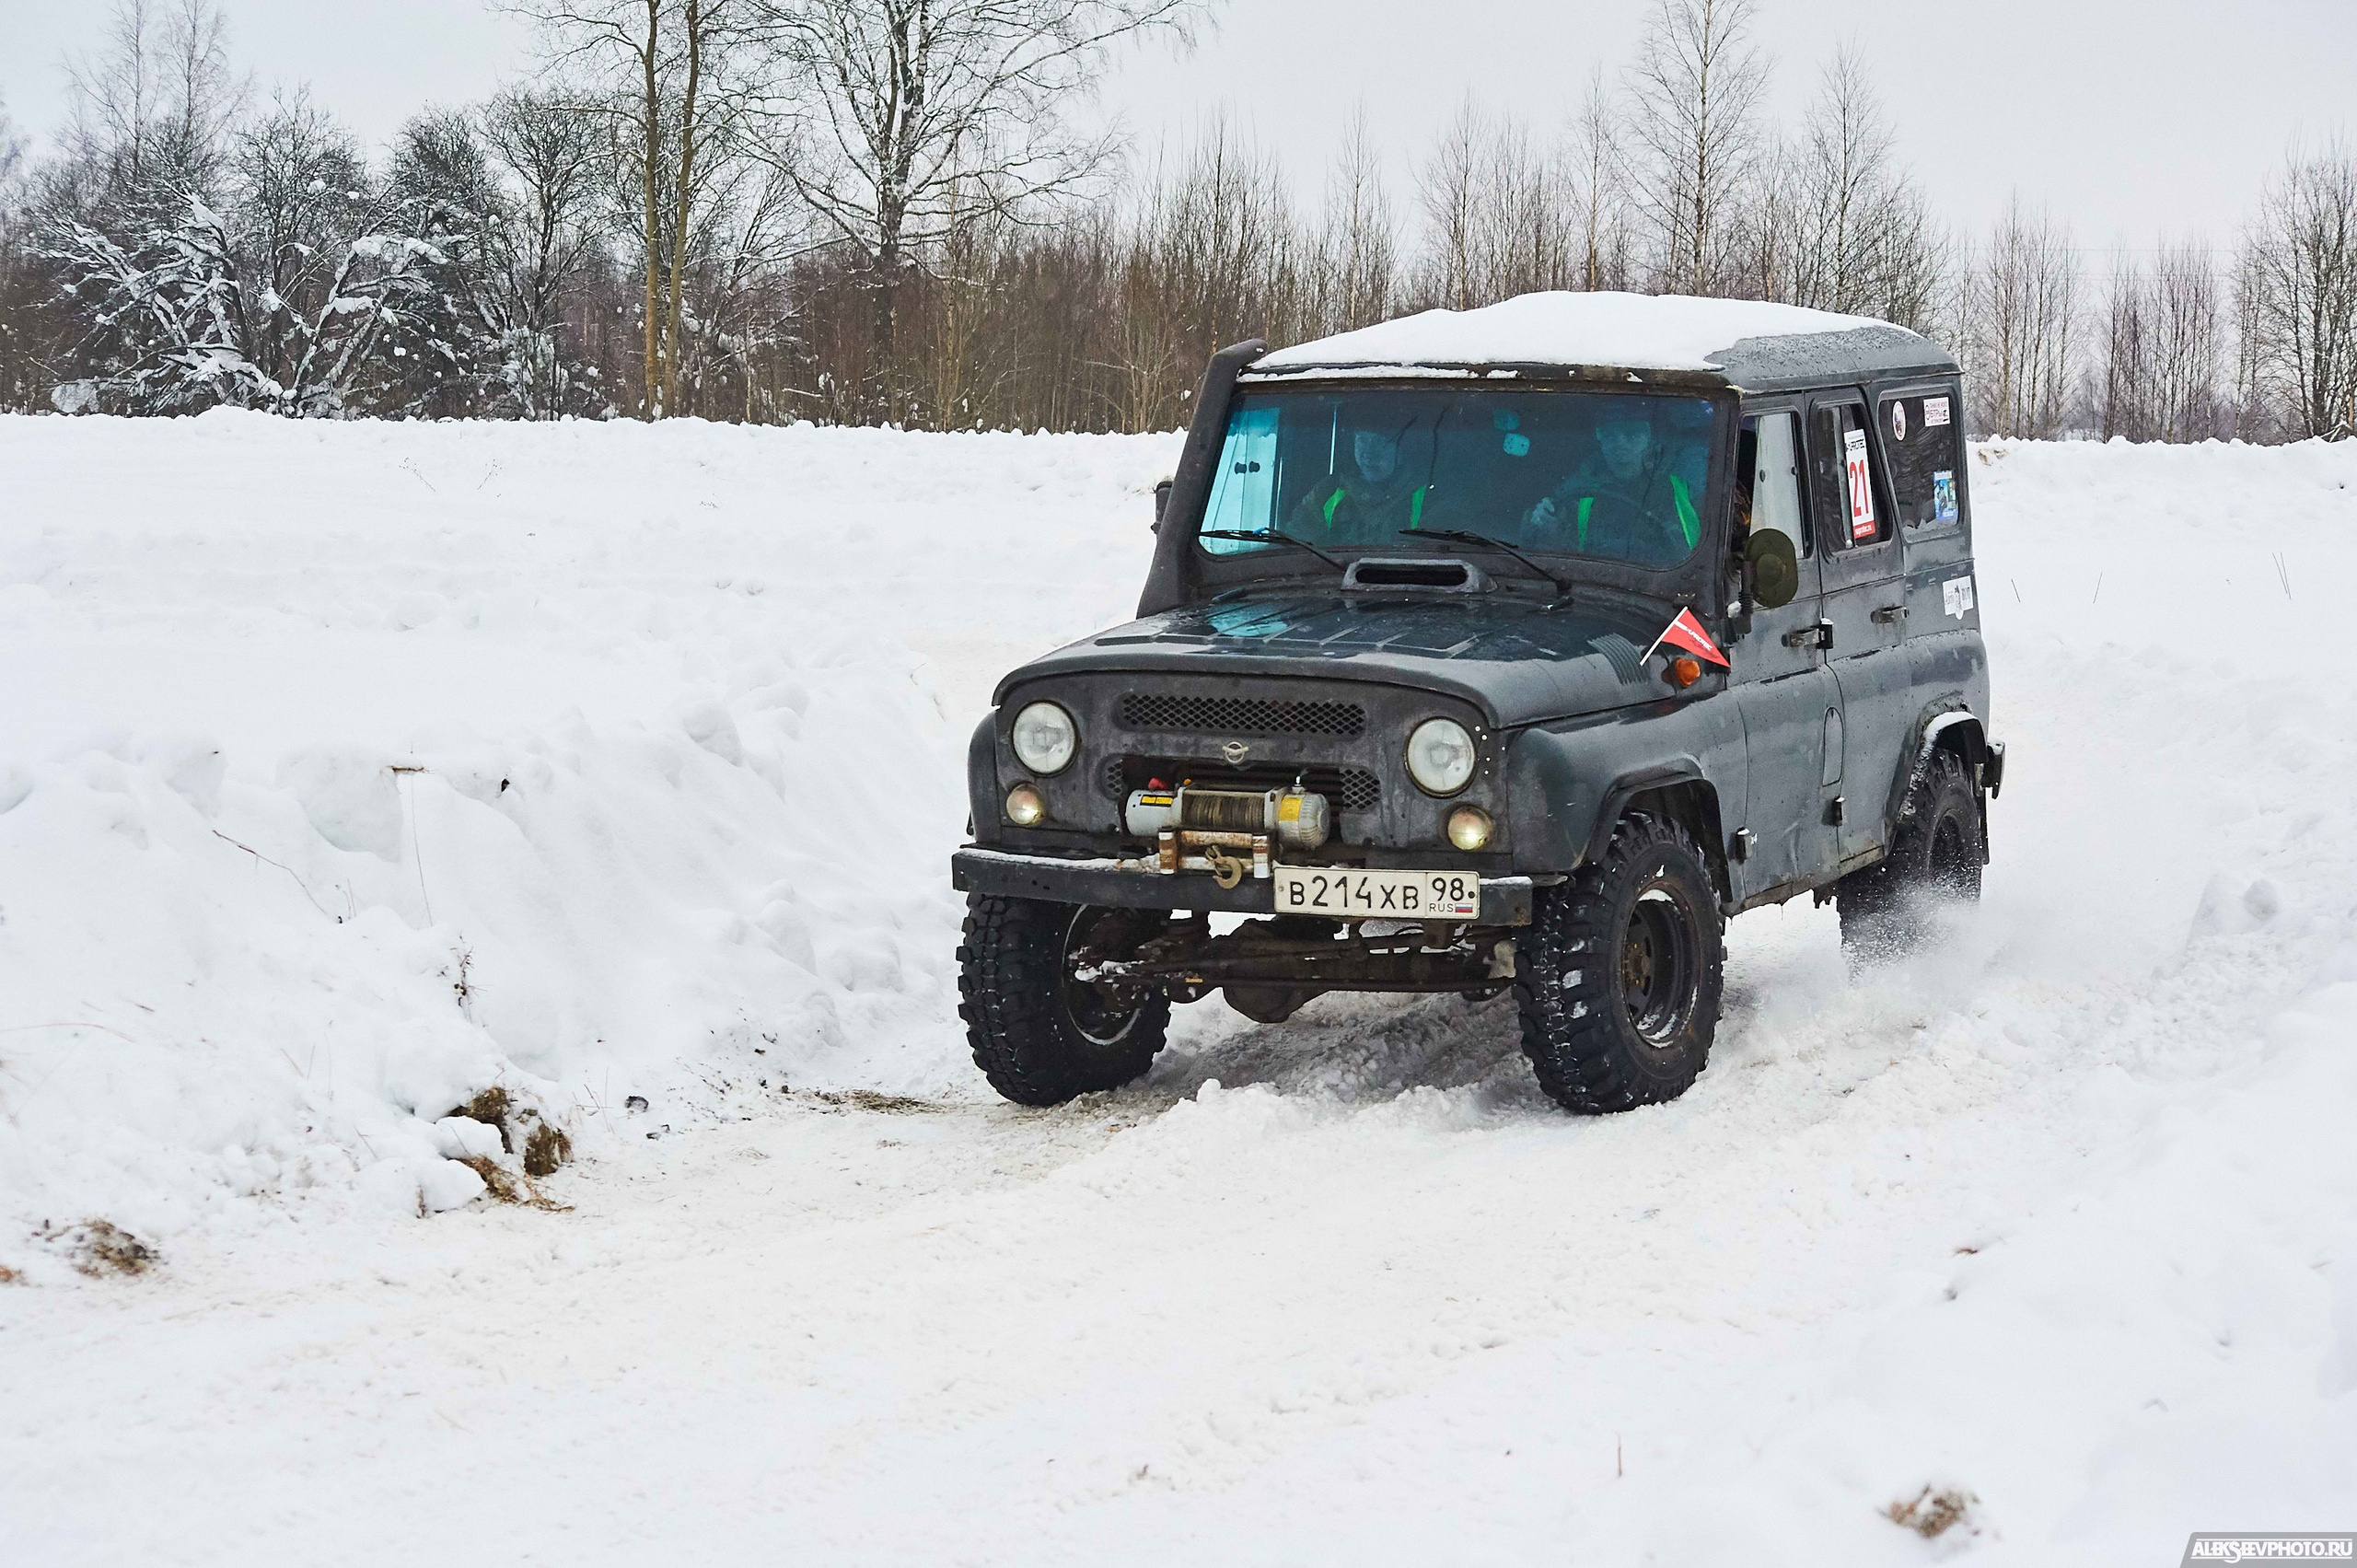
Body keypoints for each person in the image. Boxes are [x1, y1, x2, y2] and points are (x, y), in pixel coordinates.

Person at [1524, 412, 1703, 566]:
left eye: (1632, 433)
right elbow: (1552, 560)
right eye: (1608, 435)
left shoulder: (1690, 488)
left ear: (1651, 439)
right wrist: (1546, 527)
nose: (1619, 445)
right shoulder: (1578, 492)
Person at [1292, 426, 1430, 546]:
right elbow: (1297, 544)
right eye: (1362, 440)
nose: (1369, 455)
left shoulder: (1428, 495)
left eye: (1381, 442)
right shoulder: (1329, 491)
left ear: (1402, 449)